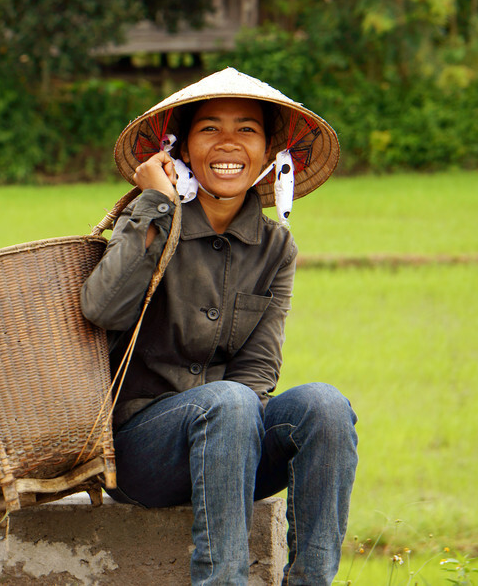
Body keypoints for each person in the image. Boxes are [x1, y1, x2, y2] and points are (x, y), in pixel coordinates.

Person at [81, 67, 358, 585]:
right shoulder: (150, 219)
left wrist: (232, 424)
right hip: (142, 451)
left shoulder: (276, 246)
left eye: (247, 130)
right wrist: (156, 203)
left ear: (268, 154)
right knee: (227, 402)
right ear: (179, 148)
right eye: (209, 129)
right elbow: (102, 309)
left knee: (325, 405)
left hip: (234, 444)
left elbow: (258, 371)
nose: (228, 143)